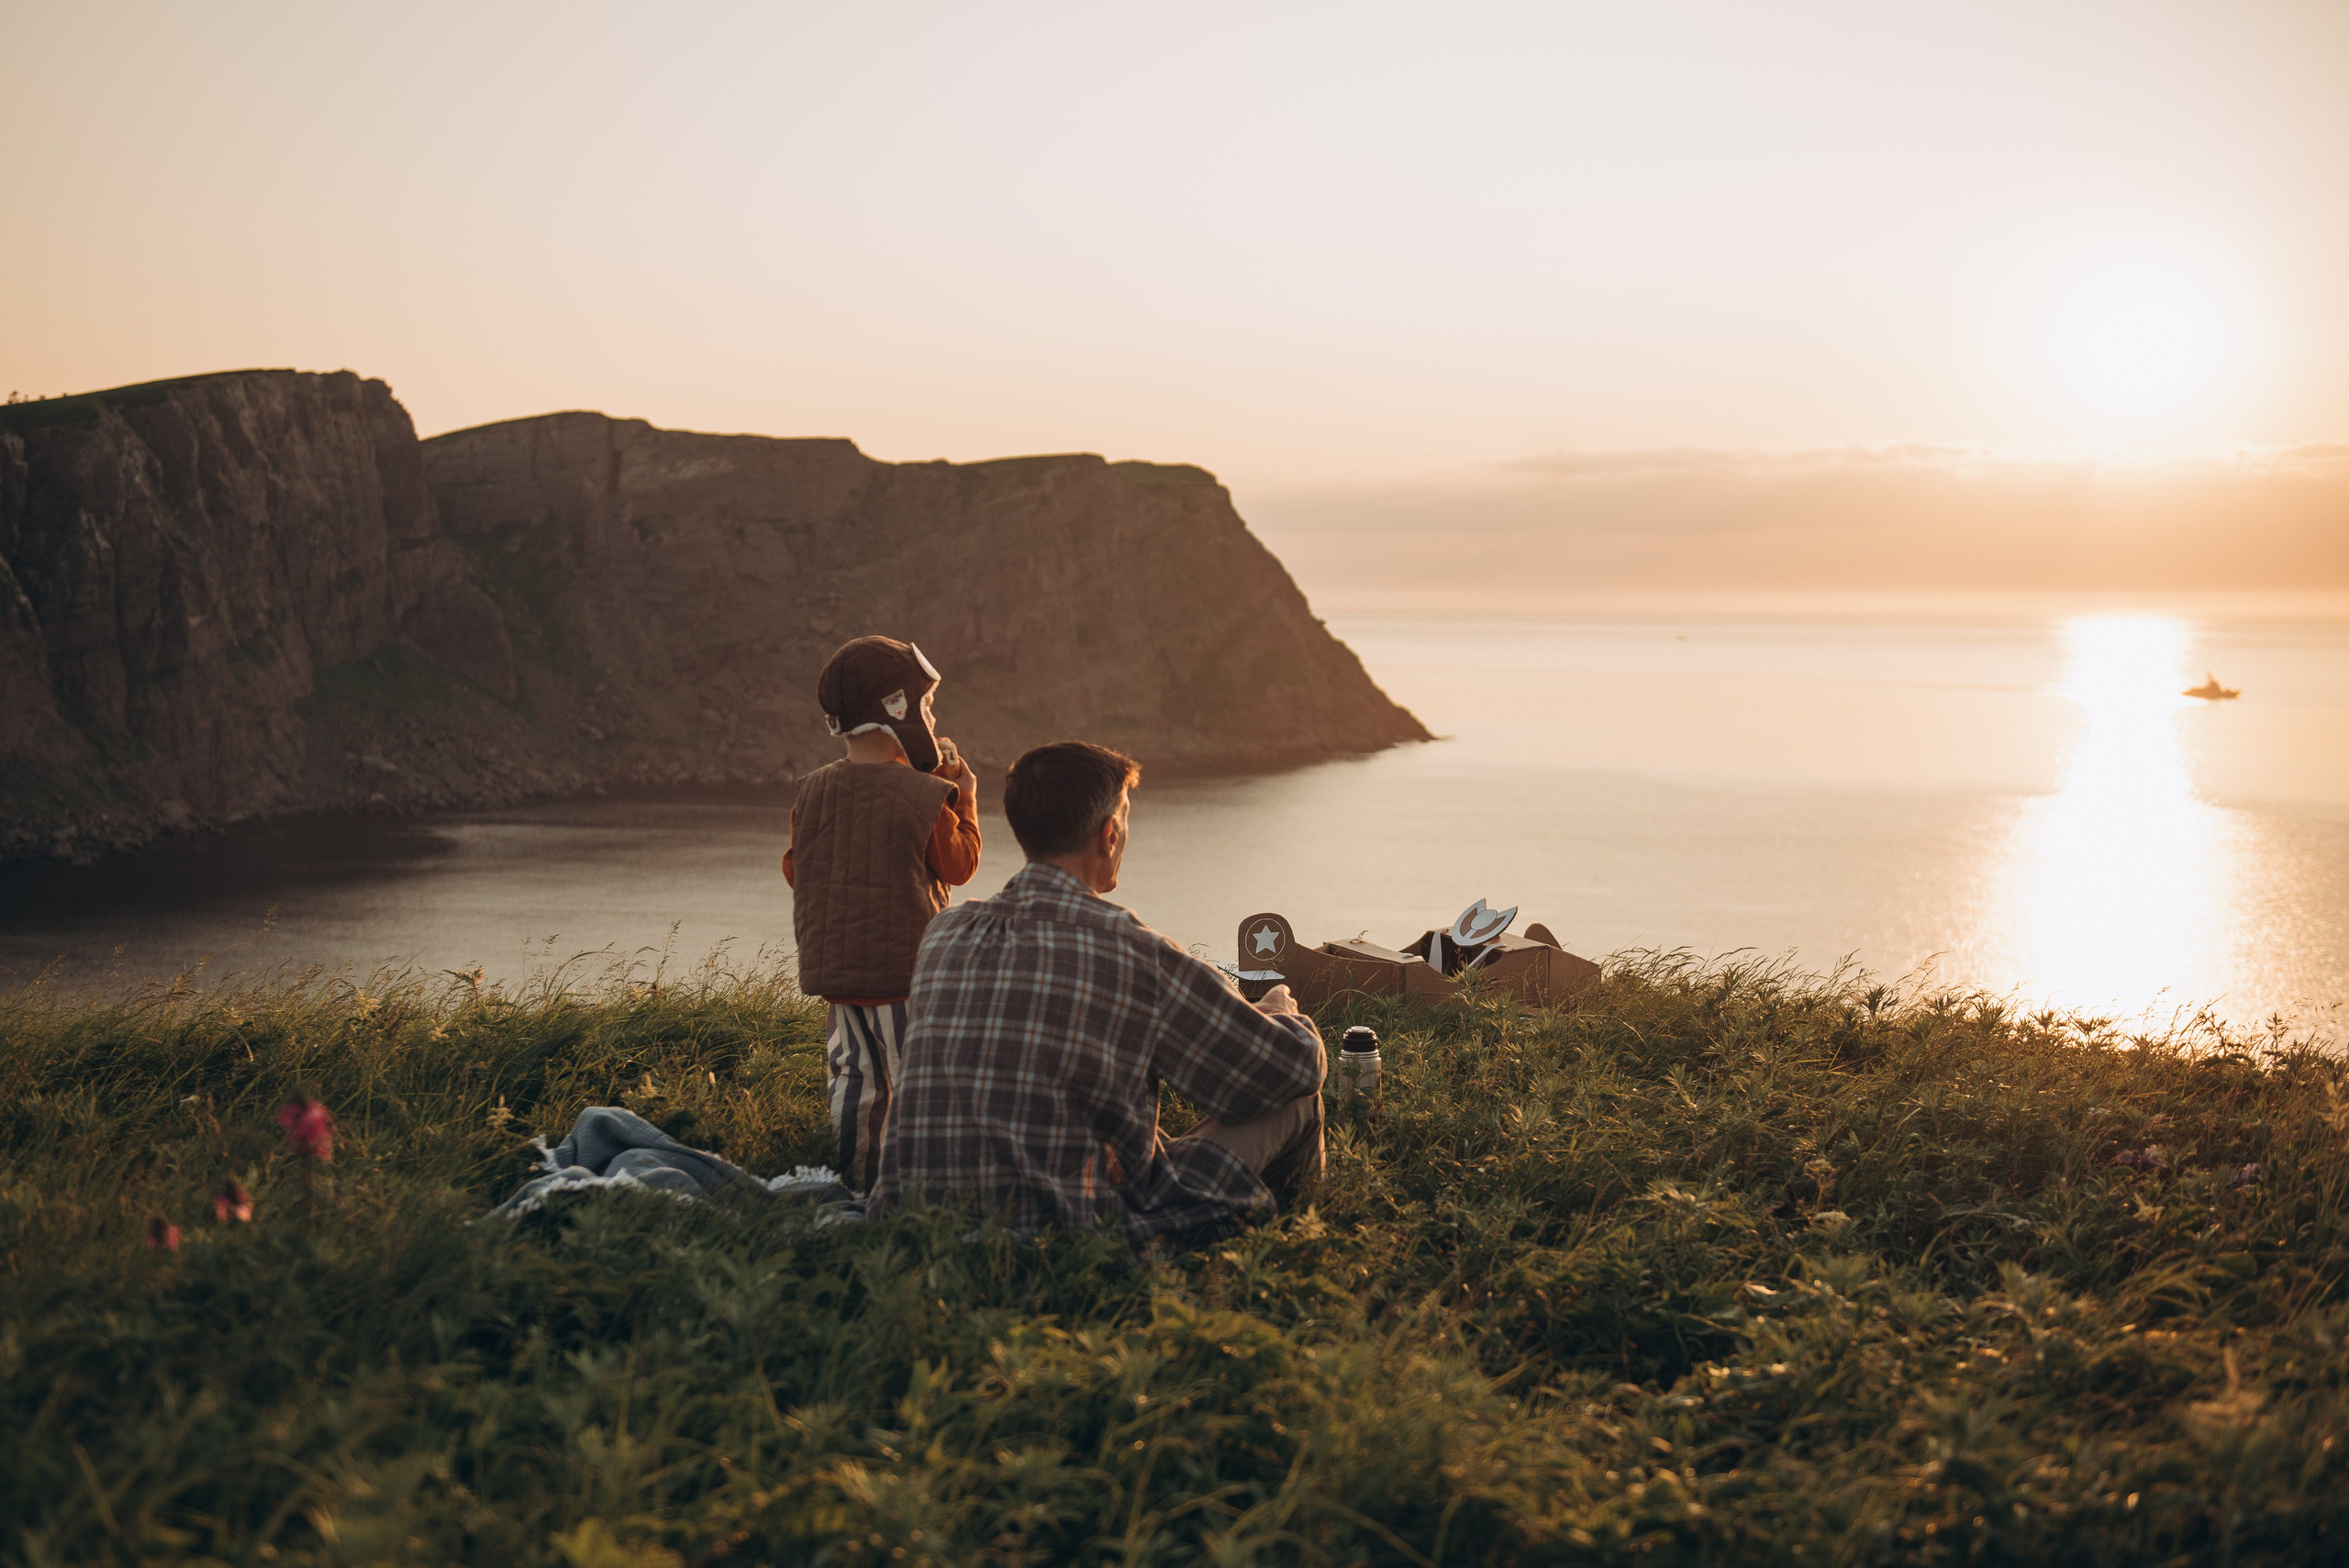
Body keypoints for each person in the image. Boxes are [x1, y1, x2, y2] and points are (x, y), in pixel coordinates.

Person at [869, 740, 1324, 1246]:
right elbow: (1290, 1069)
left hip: (918, 1228)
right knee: (1297, 1101)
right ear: (1109, 834)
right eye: (1125, 818)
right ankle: (1293, 1248)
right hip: (1066, 1237)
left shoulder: (945, 933)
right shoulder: (1134, 950)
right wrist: (1282, 1015)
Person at [784, 635, 982, 1192]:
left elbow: (797, 869)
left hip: (838, 979)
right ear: (899, 709)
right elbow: (961, 865)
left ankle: (857, 1185)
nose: (932, 717)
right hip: (903, 978)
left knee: (856, 1085)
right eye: (927, 705)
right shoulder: (923, 794)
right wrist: (962, 797)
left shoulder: (811, 792)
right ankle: (919, 1195)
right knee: (914, 1087)